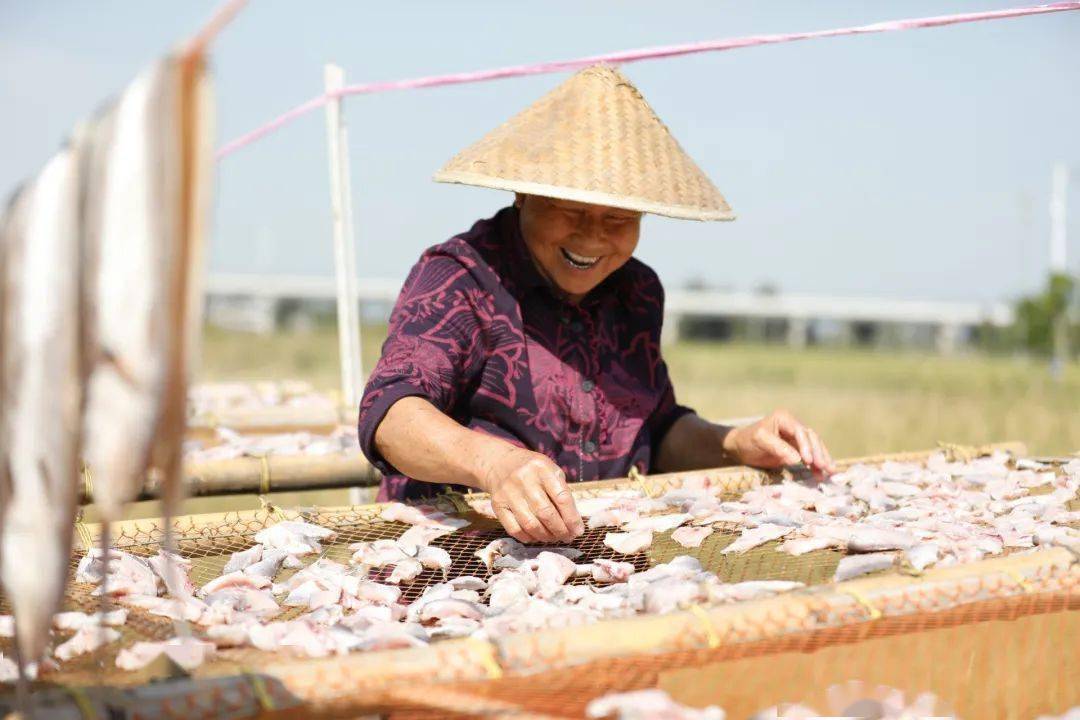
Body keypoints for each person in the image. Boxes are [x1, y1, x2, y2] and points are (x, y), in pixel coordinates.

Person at [357, 65, 834, 545]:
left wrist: (736, 441)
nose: (591, 237)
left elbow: (657, 429)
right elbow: (392, 414)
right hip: (455, 559)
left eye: (618, 218)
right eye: (570, 209)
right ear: (524, 192)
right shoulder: (460, 278)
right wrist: (493, 463)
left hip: (598, 555)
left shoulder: (638, 292)